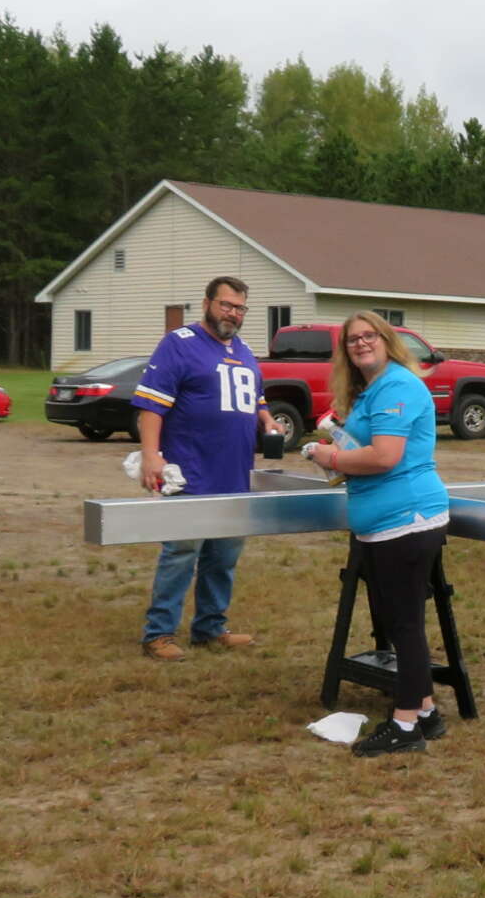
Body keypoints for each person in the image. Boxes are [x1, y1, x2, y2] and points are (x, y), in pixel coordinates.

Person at [307, 310, 453, 756]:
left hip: (405, 519)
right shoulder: (373, 391)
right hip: (385, 524)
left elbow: (385, 456)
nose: (361, 343)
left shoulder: (397, 386)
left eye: (370, 335)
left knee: (404, 626)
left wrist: (329, 458)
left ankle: (405, 727)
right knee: (400, 621)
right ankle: (425, 712)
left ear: (388, 341)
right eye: (352, 339)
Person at [133, 276, 280, 659]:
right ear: (207, 303)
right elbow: (151, 404)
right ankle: (159, 633)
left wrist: (266, 419)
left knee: (223, 557)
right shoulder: (179, 344)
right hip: (191, 471)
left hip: (234, 473)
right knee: (181, 553)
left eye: (240, 308)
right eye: (226, 305)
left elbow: (255, 396)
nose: (232, 313)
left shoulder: (244, 350)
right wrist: (151, 454)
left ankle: (210, 628)